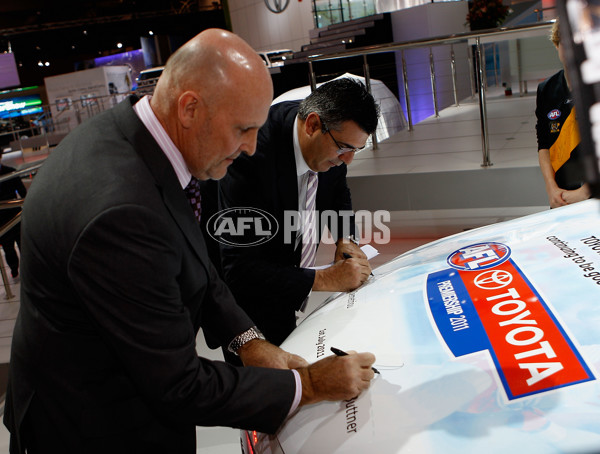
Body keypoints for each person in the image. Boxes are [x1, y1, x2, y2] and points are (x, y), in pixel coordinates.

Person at [4, 29, 376, 454]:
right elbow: (178, 383)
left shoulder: (142, 144)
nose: (252, 148)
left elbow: (200, 260)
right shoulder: (122, 212)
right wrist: (306, 384)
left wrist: (246, 339)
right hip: (91, 426)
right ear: (190, 108)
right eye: (242, 129)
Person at [218, 78, 379, 350]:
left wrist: (346, 239)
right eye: (344, 148)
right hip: (247, 298)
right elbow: (239, 268)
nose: (347, 160)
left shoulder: (331, 142)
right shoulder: (249, 157)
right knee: (263, 381)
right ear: (312, 125)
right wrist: (326, 278)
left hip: (284, 273)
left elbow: (338, 192)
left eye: (356, 150)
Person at [536, 19, 590, 208]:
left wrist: (586, 192)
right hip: (561, 197)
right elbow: (544, 145)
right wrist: (552, 190)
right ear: (556, 45)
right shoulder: (546, 89)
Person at [0, 158, 27, 278]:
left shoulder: (11, 172)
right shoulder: (10, 171)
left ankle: (27, 268)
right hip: (1, 220)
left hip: (15, 214)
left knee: (22, 243)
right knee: (8, 248)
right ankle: (14, 269)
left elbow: (22, 192)